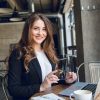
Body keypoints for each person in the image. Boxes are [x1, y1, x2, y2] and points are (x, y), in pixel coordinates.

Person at [8, 12, 77, 100]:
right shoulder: (18, 53)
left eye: (44, 29)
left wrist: (66, 81)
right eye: (36, 28)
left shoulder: (48, 51)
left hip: (50, 97)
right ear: (28, 30)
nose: (41, 33)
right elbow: (13, 89)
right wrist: (40, 87)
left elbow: (48, 82)